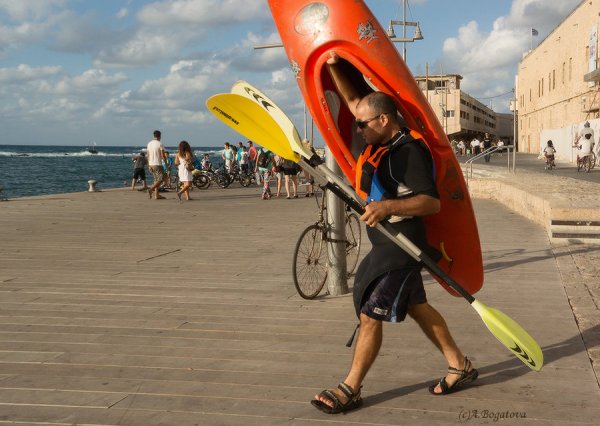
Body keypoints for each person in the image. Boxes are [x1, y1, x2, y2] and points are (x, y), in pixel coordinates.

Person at [310, 52, 478, 415]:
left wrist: (388, 207)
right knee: (417, 307)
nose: (358, 130)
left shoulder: (408, 152)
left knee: (371, 314)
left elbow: (430, 203)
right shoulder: (379, 141)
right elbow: (356, 102)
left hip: (403, 247)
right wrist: (334, 64)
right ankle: (459, 364)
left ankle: (350, 388)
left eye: (363, 124)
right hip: (387, 244)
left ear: (384, 120)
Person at [147, 130, 167, 200]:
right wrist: (166, 164)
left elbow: (148, 155)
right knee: (162, 178)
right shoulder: (160, 144)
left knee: (156, 180)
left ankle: (157, 195)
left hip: (151, 164)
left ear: (154, 135)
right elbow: (163, 155)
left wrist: (148, 165)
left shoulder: (149, 144)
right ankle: (151, 189)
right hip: (157, 164)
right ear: (160, 136)